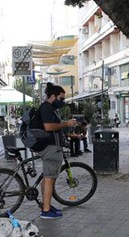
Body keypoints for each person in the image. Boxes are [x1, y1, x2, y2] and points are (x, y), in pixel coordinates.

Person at [38, 82, 77, 219]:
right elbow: (48, 126)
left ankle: (46, 205)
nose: (62, 102)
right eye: (61, 98)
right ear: (53, 96)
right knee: (49, 179)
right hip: (51, 148)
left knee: (47, 178)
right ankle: (46, 211)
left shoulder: (49, 108)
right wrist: (66, 124)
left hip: (50, 147)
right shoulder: (47, 108)